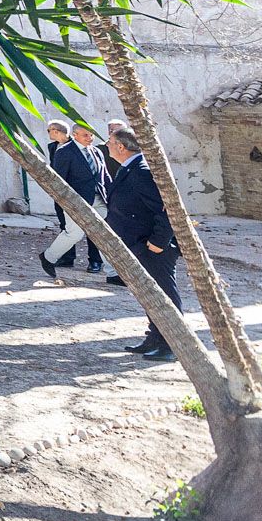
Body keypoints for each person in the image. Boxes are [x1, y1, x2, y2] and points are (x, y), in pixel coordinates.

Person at [105, 127, 179, 361]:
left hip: (153, 247)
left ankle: (173, 345)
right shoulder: (130, 168)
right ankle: (155, 338)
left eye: (109, 142)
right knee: (150, 294)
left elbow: (167, 210)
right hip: (138, 244)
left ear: (120, 147)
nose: (106, 146)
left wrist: (158, 242)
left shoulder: (142, 171)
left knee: (164, 294)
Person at [41, 121, 107, 278]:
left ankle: (113, 272)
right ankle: (48, 257)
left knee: (104, 233)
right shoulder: (64, 152)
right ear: (75, 135)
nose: (90, 138)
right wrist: (64, 202)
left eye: (91, 135)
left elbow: (104, 176)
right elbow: (59, 180)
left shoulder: (96, 152)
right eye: (85, 135)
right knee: (74, 234)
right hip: (76, 201)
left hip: (98, 199)